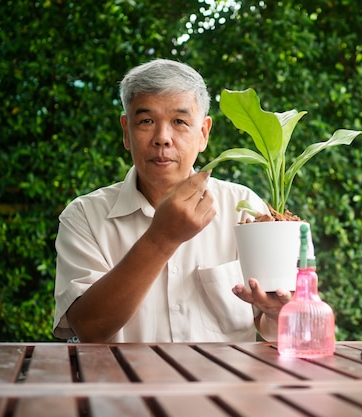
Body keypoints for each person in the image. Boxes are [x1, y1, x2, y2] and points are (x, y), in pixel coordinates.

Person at [53, 58, 291, 343]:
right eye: (146, 121)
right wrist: (162, 237)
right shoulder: (84, 216)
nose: (162, 138)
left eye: (179, 122)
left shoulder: (243, 208)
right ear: (126, 131)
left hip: (224, 386)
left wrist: (280, 313)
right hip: (124, 386)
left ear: (203, 133)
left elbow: (276, 327)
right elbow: (88, 328)